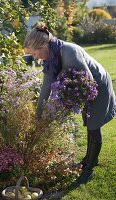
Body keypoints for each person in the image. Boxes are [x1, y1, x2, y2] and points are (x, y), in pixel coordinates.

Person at [23, 22, 116, 186]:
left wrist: (67, 101)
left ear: (44, 45)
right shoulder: (50, 59)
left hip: (97, 85)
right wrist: (37, 116)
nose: (35, 57)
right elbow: (46, 88)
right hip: (82, 88)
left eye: (35, 53)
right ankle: (88, 160)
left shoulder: (68, 51)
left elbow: (88, 82)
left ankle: (89, 171)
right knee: (89, 123)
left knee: (94, 125)